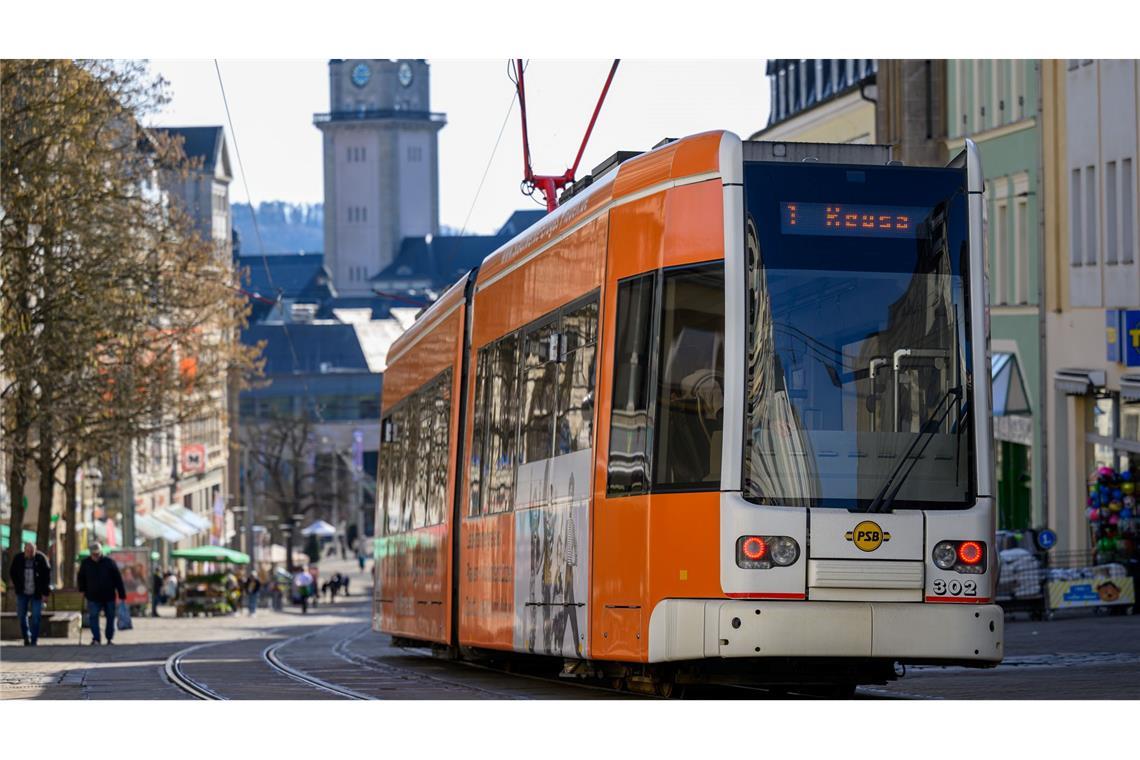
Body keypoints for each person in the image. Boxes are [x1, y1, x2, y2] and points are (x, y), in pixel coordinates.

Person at [77, 542, 127, 645]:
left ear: (100, 552)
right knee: (93, 617)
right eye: (93, 554)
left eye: (97, 554)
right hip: (92, 595)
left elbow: (117, 579)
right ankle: (96, 638)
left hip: (108, 595)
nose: (95, 556)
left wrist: (121, 593)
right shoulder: (86, 563)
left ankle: (109, 637)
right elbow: (81, 578)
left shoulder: (109, 562)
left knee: (110, 617)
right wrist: (82, 590)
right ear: (90, 553)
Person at [9, 541, 51, 646]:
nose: (30, 553)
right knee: (22, 616)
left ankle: (34, 639)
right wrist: (17, 585)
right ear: (24, 550)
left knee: (36, 616)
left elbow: (47, 577)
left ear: (35, 550)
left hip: (37, 593)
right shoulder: (18, 559)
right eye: (28, 551)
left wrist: (45, 593)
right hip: (22, 592)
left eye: (32, 551)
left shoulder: (41, 559)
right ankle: (26, 636)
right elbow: (12, 572)